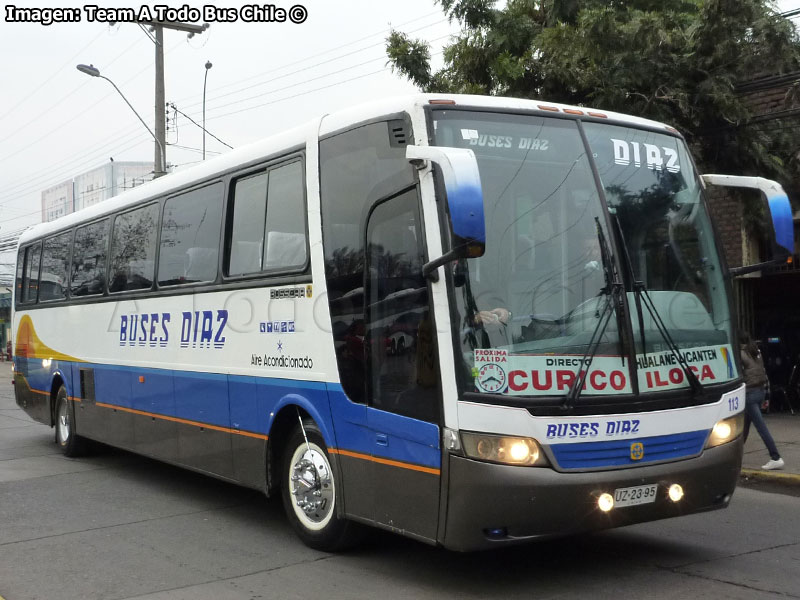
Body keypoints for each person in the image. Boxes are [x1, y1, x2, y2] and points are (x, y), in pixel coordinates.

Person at [740, 332, 784, 470]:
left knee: (761, 427)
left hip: (749, 394)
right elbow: (764, 374)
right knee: (744, 428)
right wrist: (766, 395)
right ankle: (736, 457)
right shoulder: (756, 351)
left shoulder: (739, 354)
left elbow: (739, 377)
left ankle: (775, 457)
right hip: (759, 391)